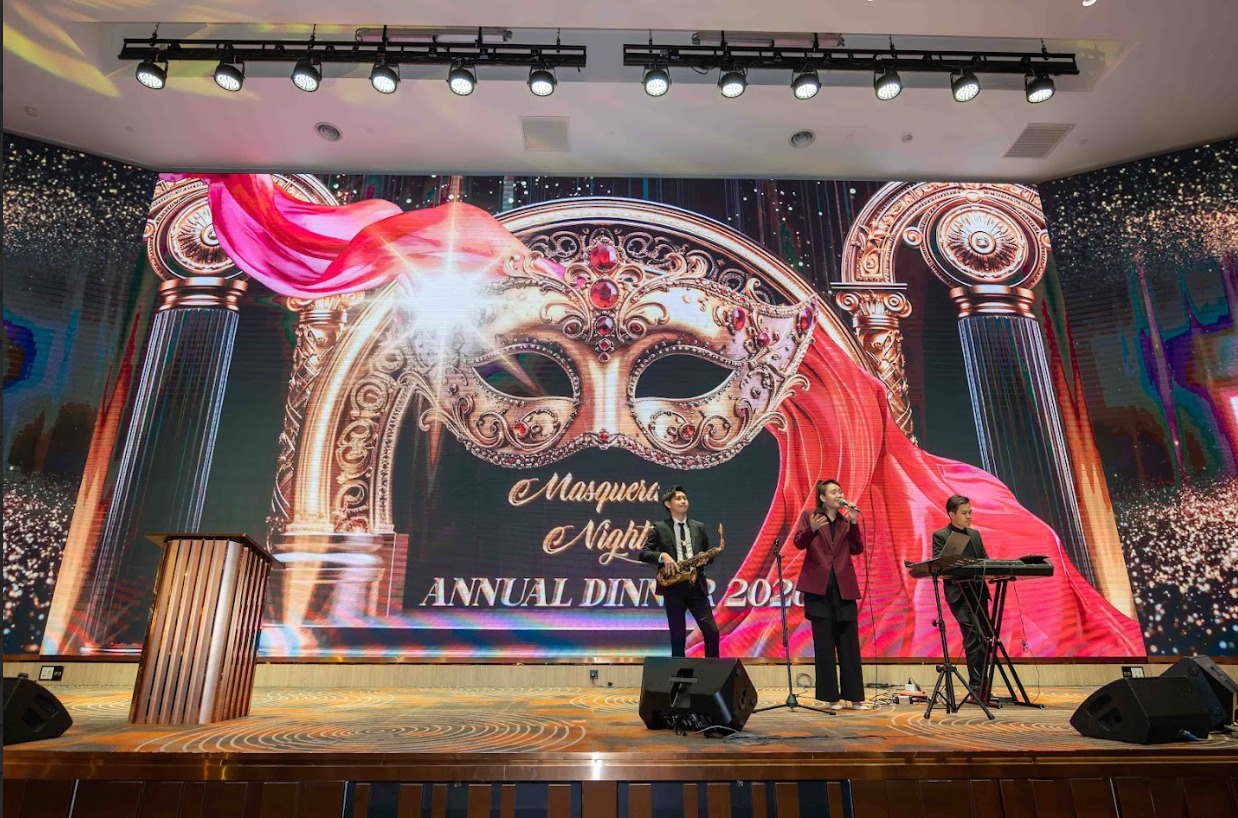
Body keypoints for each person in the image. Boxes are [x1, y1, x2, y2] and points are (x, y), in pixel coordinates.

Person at [792, 479, 869, 710]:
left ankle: (854, 697)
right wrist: (812, 530)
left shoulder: (845, 521)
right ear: (823, 498)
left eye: (840, 491)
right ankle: (831, 697)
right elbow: (798, 543)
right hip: (819, 589)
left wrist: (854, 522)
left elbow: (857, 549)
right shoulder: (810, 516)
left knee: (849, 645)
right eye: (834, 492)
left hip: (844, 588)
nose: (839, 494)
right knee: (824, 646)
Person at [639, 486, 721, 658]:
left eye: (685, 498)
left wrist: (706, 559)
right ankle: (679, 674)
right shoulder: (660, 527)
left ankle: (713, 671)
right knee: (677, 637)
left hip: (696, 586)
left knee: (712, 632)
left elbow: (708, 555)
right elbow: (644, 553)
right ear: (668, 504)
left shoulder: (699, 527)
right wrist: (662, 556)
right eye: (678, 498)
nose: (683, 501)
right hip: (673, 587)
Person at [931, 494, 992, 694]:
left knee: (987, 638)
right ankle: (976, 688)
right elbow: (939, 566)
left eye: (970, 512)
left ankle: (983, 686)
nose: (969, 517)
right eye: (964, 513)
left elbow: (985, 560)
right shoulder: (941, 535)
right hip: (959, 595)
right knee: (973, 636)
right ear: (951, 514)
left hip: (978, 592)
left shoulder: (975, 535)